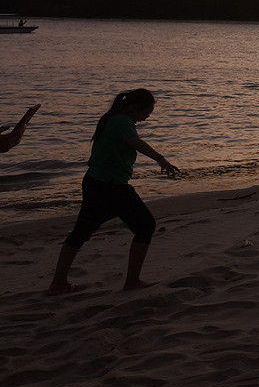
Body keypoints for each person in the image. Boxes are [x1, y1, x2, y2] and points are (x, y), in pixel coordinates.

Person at [47, 89, 180, 294]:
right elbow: (134, 142)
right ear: (135, 108)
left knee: (80, 233)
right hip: (112, 186)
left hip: (94, 183)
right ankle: (132, 282)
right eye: (146, 114)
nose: (145, 119)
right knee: (145, 226)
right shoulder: (122, 121)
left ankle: (58, 283)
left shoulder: (112, 118)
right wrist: (160, 158)